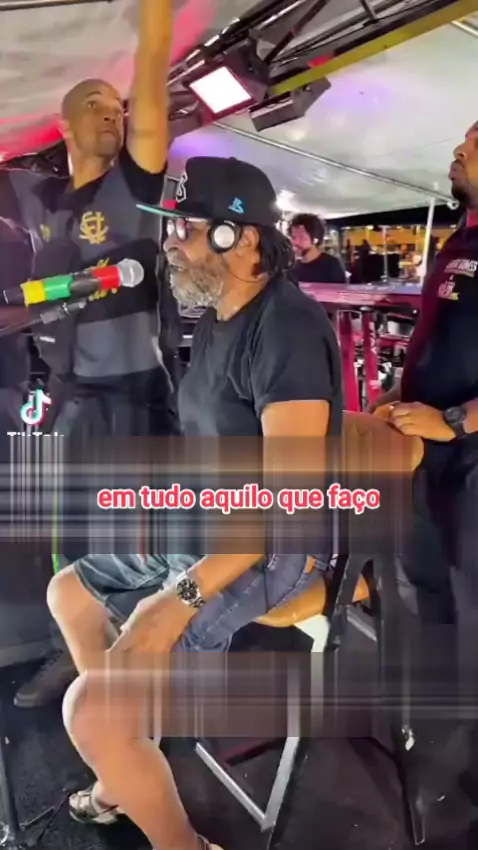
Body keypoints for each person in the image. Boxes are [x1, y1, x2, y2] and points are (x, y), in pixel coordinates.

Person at [46, 156, 343, 850]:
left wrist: (176, 598)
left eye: (186, 228)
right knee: (70, 593)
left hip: (275, 548)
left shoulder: (287, 331)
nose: (171, 242)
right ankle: (126, 750)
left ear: (240, 238)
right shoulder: (215, 317)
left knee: (90, 708)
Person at [3, 0, 179, 709]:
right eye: (95, 106)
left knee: (131, 542)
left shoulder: (134, 186)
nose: (113, 114)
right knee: (68, 537)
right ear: (65, 126)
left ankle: (141, 678)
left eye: (116, 106)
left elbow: (152, 78)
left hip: (133, 400)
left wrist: (156, 19)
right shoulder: (39, 197)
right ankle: (77, 660)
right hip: (71, 399)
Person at [370, 121, 478, 791]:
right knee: (430, 588)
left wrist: (454, 421)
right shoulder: (461, 237)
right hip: (427, 457)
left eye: (477, 143)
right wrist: (399, 391)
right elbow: (439, 336)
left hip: (469, 459)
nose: (459, 151)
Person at [289, 213, 346, 284]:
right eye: (293, 237)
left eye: (301, 237)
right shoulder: (292, 267)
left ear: (315, 239)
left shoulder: (331, 265)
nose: (295, 242)